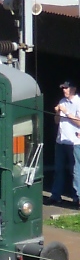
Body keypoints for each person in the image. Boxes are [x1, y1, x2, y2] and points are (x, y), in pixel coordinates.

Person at [48, 80, 80, 208]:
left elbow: (79, 123)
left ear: (73, 89)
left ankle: (77, 197)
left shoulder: (78, 102)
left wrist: (66, 112)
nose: (64, 90)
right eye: (63, 88)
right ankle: (56, 196)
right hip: (61, 141)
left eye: (66, 88)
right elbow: (56, 121)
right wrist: (57, 112)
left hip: (74, 142)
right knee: (59, 170)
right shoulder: (62, 101)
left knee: (75, 171)